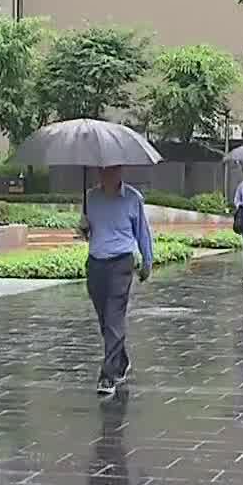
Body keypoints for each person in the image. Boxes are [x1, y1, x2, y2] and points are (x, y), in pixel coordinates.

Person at [78, 166, 153, 396]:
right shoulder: (90, 197)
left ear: (120, 171)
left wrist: (147, 262)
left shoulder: (132, 199)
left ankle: (108, 375)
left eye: (111, 170)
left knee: (113, 317)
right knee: (104, 320)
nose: (107, 174)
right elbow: (87, 231)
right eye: (102, 171)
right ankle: (120, 360)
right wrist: (83, 228)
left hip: (121, 262)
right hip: (96, 262)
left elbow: (143, 232)